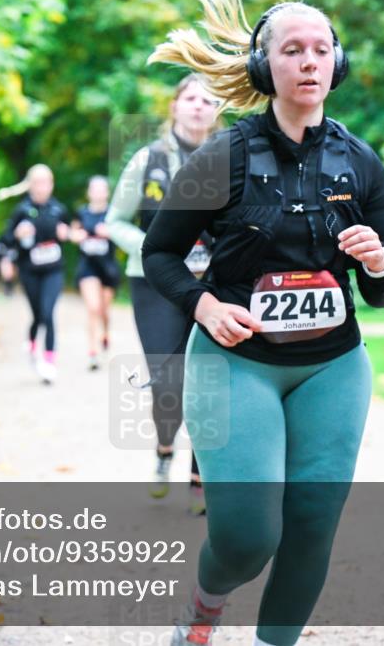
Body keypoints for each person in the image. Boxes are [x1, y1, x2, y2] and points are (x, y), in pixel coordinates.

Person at [140, 0, 384, 646]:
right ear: (265, 69)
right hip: (237, 363)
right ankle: (203, 608)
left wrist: (375, 263)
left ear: (336, 65)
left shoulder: (360, 161)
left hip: (333, 366)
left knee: (313, 520)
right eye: (293, 51)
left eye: (321, 50)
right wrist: (204, 303)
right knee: (249, 536)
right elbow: (160, 253)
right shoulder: (222, 158)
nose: (310, 63)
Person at [106, 73, 219, 510]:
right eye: (190, 97)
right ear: (175, 106)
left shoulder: (228, 158)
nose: (198, 105)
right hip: (154, 283)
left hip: (211, 283)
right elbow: (114, 220)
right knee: (168, 380)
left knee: (206, 377)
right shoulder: (146, 159)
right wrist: (157, 249)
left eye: (208, 100)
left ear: (217, 111)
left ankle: (199, 477)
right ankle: (164, 449)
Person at [0, 164, 71, 385]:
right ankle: (31, 340)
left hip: (53, 270)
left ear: (51, 184)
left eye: (46, 182)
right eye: (37, 182)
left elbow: (69, 232)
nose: (42, 187)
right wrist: (17, 236)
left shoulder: (59, 209)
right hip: (30, 270)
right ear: (30, 185)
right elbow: (6, 240)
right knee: (38, 314)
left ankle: (49, 361)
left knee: (48, 313)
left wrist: (65, 233)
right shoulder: (21, 210)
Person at [71, 175, 121, 371]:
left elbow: (122, 234)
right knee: (92, 308)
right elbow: (72, 233)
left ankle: (106, 334)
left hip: (107, 268)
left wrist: (110, 232)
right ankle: (92, 352)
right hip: (87, 267)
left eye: (102, 189)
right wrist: (78, 236)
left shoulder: (113, 214)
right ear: (89, 192)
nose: (98, 192)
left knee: (103, 310)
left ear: (107, 192)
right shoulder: (82, 213)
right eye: (95, 189)